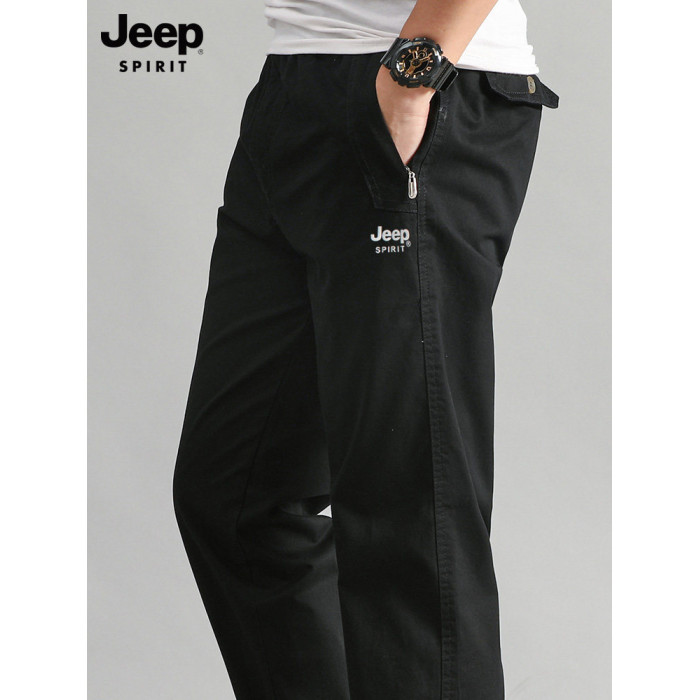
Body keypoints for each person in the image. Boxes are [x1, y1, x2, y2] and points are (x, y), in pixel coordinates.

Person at [172, 0, 559, 698]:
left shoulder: (411, 81)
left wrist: (413, 76)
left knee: (408, 514)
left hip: (417, 79)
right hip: (295, 82)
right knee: (237, 500)